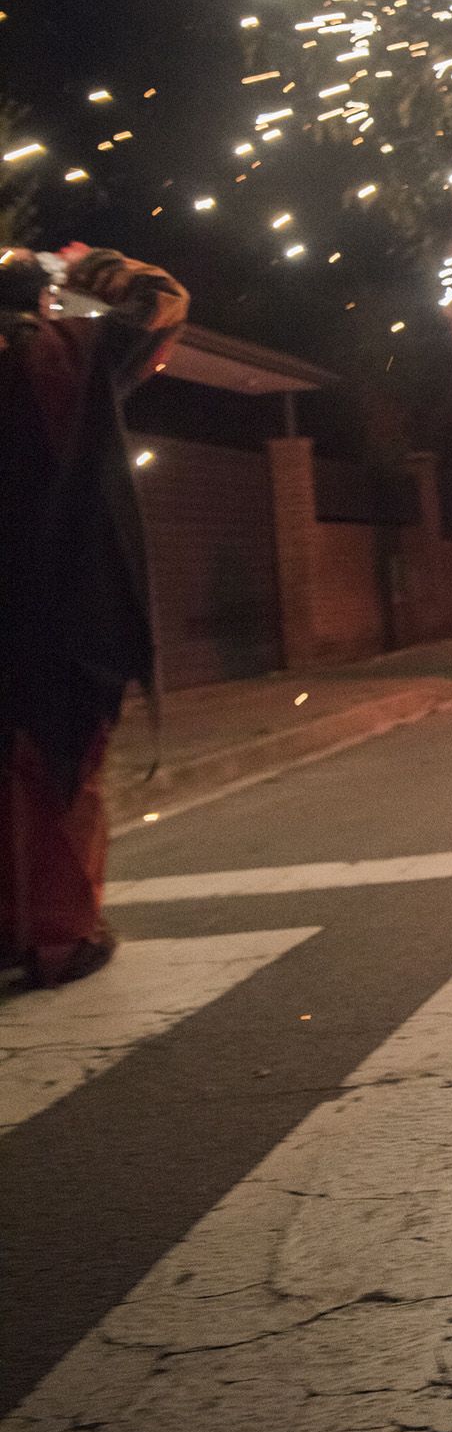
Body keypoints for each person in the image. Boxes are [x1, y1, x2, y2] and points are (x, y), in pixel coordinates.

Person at [2, 242, 189, 986]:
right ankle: (60, 938)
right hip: (68, 600)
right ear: (42, 300)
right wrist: (91, 264)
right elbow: (163, 300)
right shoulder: (69, 353)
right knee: (64, 771)